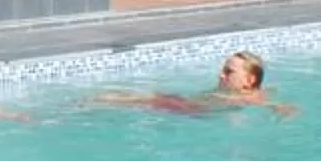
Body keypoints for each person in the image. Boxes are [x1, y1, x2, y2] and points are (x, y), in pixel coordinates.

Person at [96, 51, 297, 118]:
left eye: (229, 72)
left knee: (126, 99)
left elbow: (264, 103)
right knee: (126, 96)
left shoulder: (247, 97)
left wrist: (279, 108)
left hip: (190, 111)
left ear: (250, 80)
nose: (221, 75)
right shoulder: (241, 94)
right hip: (186, 104)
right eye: (223, 69)